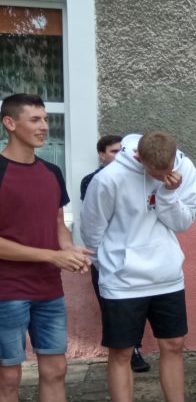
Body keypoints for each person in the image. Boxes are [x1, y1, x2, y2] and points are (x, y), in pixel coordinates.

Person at [81, 131, 196, 402]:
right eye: (157, 173)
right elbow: (91, 229)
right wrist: (109, 267)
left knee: (174, 345)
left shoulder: (183, 168)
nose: (164, 175)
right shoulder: (109, 178)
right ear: (139, 159)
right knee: (122, 353)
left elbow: (182, 223)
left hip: (167, 275)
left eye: (168, 170)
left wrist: (168, 193)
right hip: (122, 281)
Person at [0, 93, 112, 402]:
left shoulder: (51, 171)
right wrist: (52, 255)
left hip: (48, 291)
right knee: (8, 378)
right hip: (7, 292)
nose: (44, 126)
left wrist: (68, 249)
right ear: (10, 124)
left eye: (45, 118)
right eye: (34, 119)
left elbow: (57, 223)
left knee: (55, 371)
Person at [80, 134, 151, 374]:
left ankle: (135, 347)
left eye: (123, 150)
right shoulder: (94, 180)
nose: (121, 155)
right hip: (105, 254)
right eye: (114, 151)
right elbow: (94, 220)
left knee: (139, 305)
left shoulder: (140, 177)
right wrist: (100, 258)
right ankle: (125, 349)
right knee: (113, 307)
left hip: (135, 255)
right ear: (102, 155)